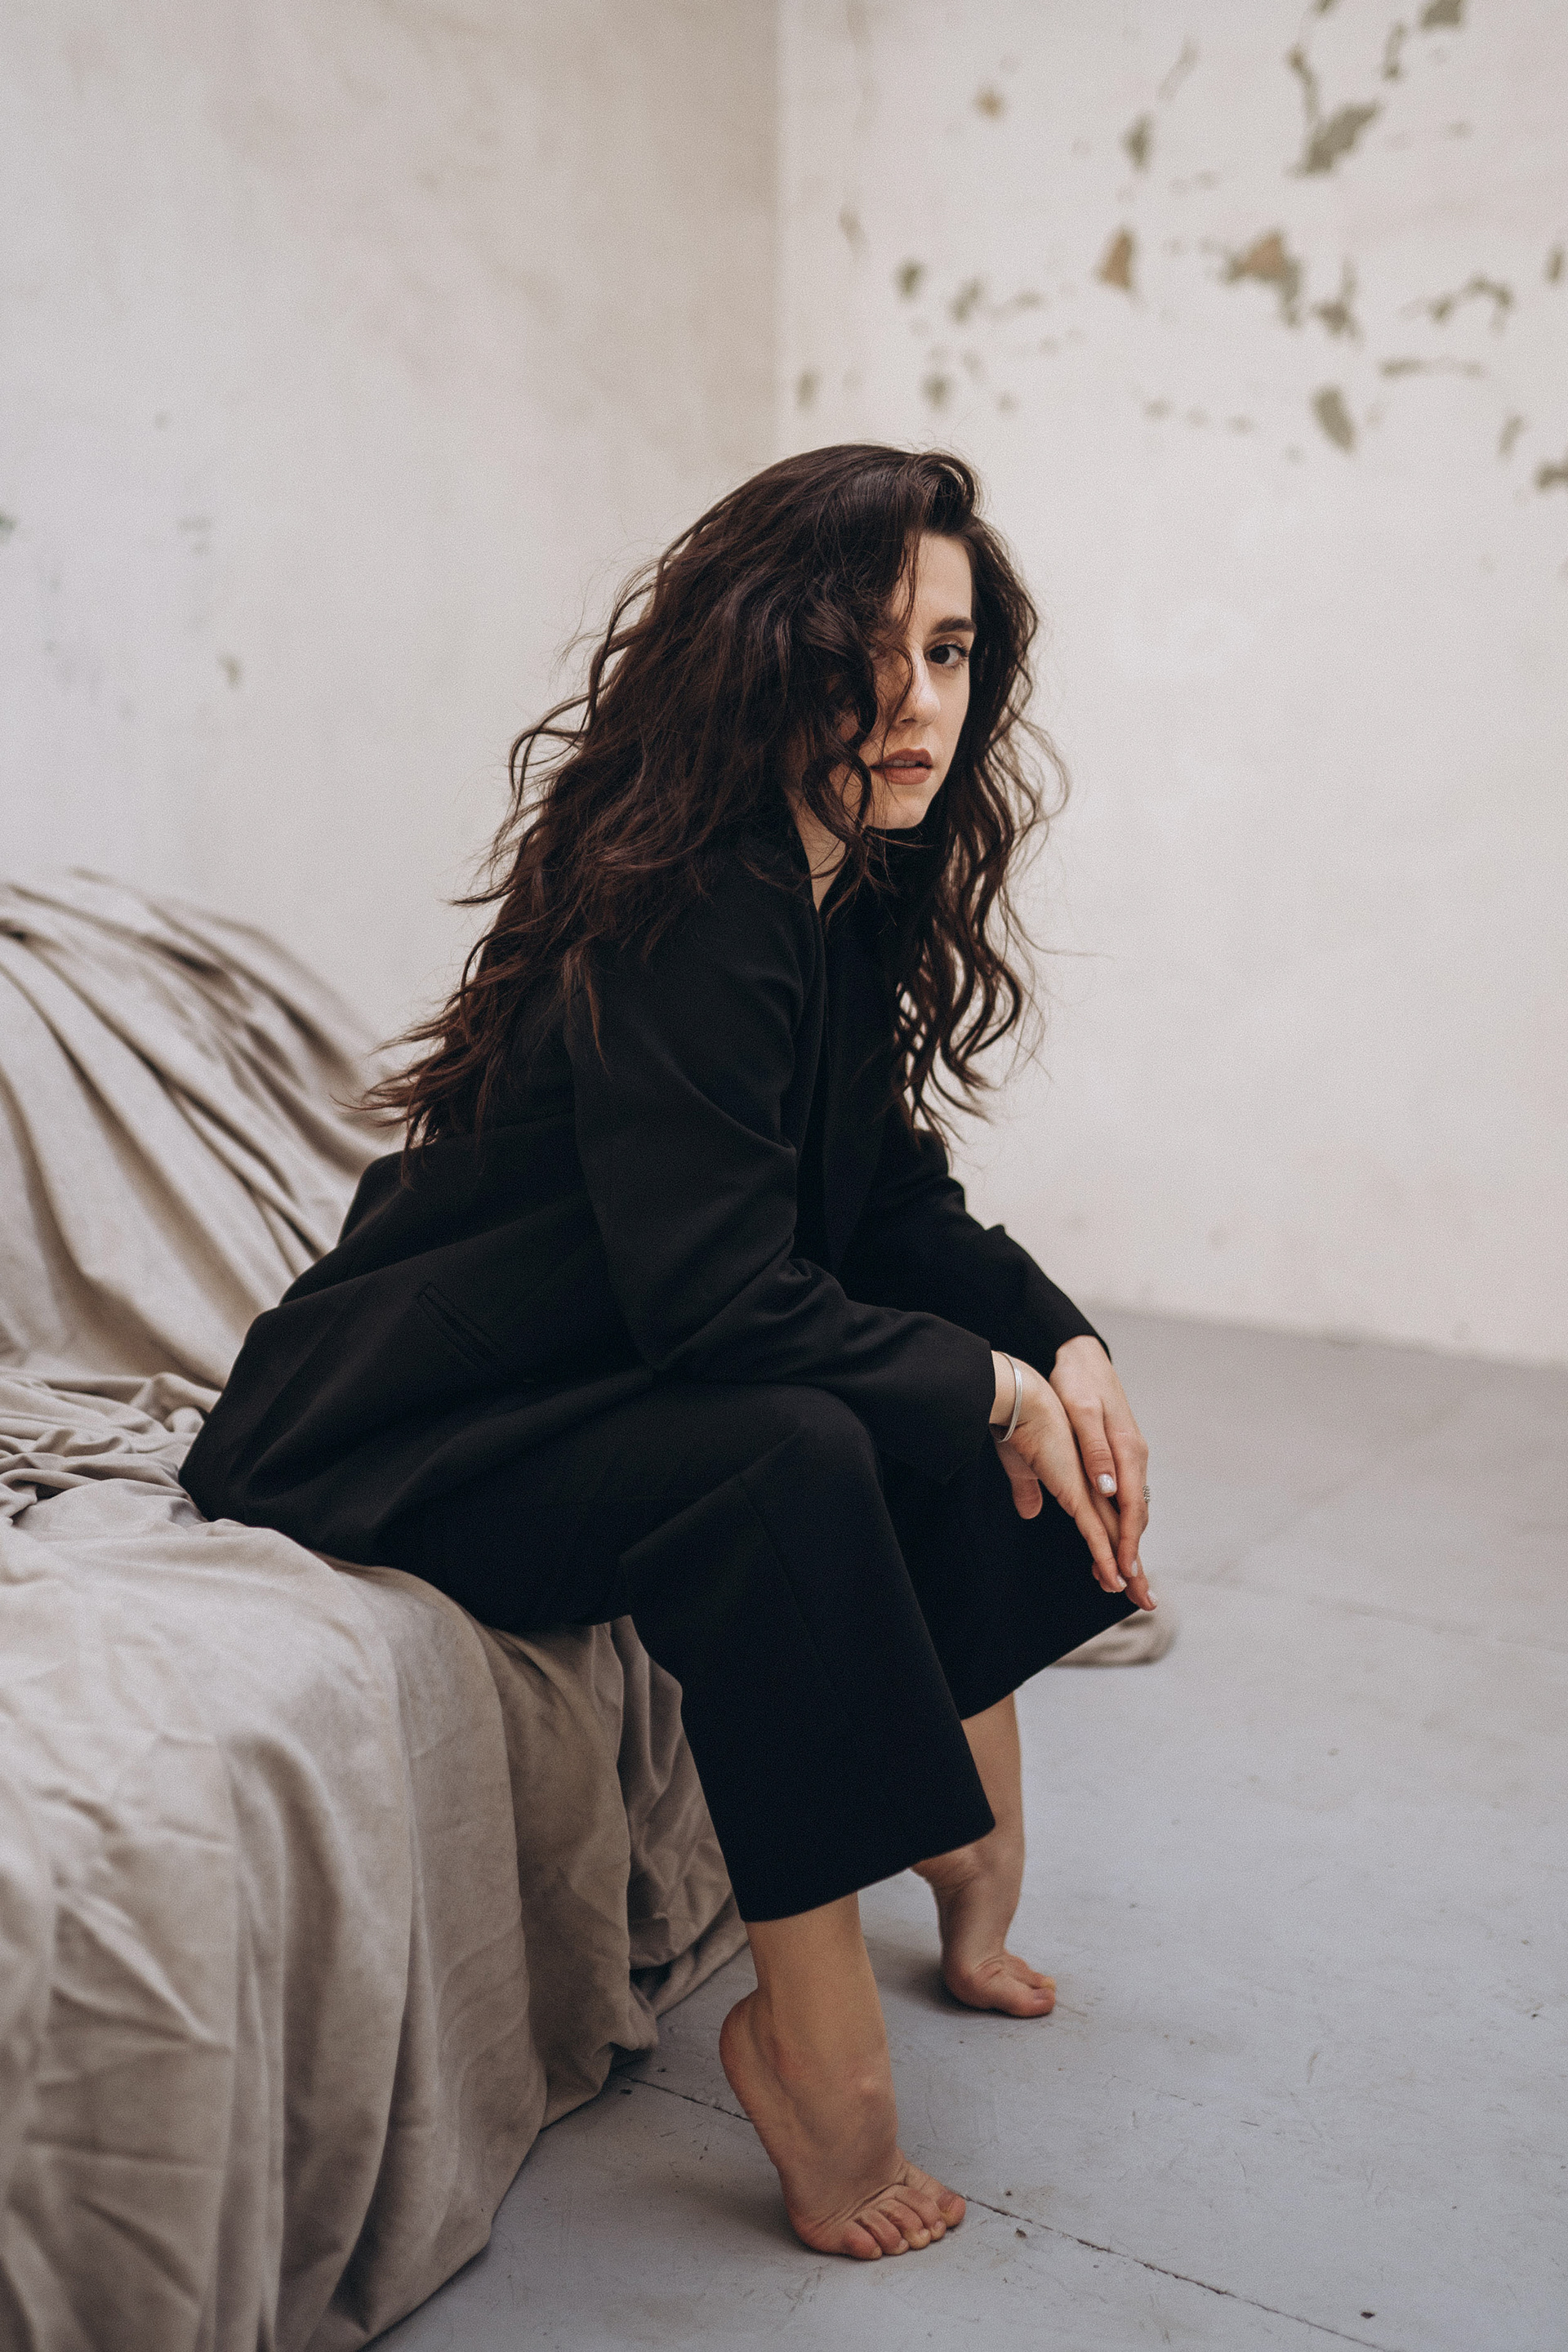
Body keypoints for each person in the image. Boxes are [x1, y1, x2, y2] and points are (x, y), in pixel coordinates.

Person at [180, 443, 1154, 2263]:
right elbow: (717, 1305)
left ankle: (966, 1863)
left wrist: (1059, 1341)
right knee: (799, 1445)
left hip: (599, 1362)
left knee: (946, 1358)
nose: (917, 702)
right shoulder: (704, 897)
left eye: (950, 652)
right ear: (770, 650)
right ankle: (815, 2057)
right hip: (405, 1427)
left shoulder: (838, 875)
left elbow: (879, 1197)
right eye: (869, 651)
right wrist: (991, 1384)